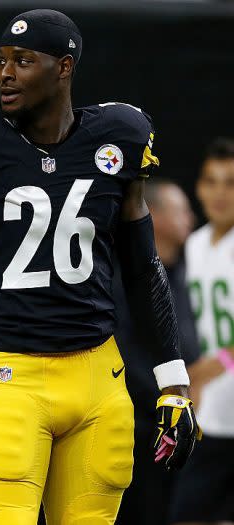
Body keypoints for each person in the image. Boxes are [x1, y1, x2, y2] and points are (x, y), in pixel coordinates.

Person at [0, 9, 201, 525]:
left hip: (98, 377)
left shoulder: (118, 135)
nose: (6, 73)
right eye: (2, 61)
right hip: (13, 376)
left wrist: (172, 382)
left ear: (64, 67)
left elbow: (143, 267)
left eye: (24, 62)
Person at [115, 178, 201, 525]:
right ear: (157, 217)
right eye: (182, 211)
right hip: (140, 427)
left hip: (182, 419)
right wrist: (171, 393)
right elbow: (122, 352)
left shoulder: (183, 271)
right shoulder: (125, 276)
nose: (191, 220)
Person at [170, 138, 234, 525]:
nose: (220, 193)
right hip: (209, 414)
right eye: (212, 181)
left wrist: (220, 361)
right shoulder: (192, 247)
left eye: (230, 182)